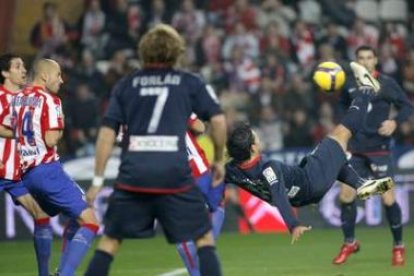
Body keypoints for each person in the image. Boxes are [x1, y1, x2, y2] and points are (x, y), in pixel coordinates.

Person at [84, 24, 226, 276]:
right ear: (176, 52)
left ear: (143, 52)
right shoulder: (187, 82)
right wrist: (218, 160)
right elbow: (216, 121)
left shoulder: (126, 85)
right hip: (175, 174)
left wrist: (97, 180)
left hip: (133, 175)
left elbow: (106, 134)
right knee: (204, 239)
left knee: (110, 242)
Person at [224, 62, 394, 244]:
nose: (258, 137)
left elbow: (215, 181)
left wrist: (212, 203)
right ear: (252, 148)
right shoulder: (268, 169)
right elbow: (279, 197)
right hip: (311, 180)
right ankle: (367, 90)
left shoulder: (232, 170)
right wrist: (293, 224)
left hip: (303, 194)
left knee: (333, 155)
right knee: (340, 134)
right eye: (255, 137)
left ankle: (360, 184)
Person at [10, 58, 100, 276]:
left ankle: (47, 273)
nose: (61, 80)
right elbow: (51, 139)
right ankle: (65, 273)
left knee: (63, 216)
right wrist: (60, 126)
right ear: (44, 76)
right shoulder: (50, 101)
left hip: (26, 174)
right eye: (58, 75)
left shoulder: (16, 100)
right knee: (91, 223)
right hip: (47, 170)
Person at [332, 45, 413, 266]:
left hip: (379, 150)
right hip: (356, 150)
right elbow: (340, 107)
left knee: (388, 199)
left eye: (369, 57)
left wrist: (395, 122)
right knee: (345, 196)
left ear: (375, 60)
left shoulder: (386, 83)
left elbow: (407, 106)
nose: (366, 61)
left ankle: (398, 246)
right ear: (356, 62)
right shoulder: (348, 83)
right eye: (361, 58)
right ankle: (350, 242)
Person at [0, 53, 53, 276]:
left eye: (24, 66)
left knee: (41, 214)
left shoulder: (26, 97)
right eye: (18, 66)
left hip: (15, 174)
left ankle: (43, 274)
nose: (23, 70)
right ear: (5, 73)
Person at [176, 114, 225, 276]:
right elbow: (200, 127)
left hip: (175, 177)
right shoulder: (179, 99)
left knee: (186, 235)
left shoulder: (137, 110)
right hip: (198, 171)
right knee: (216, 206)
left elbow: (121, 139)